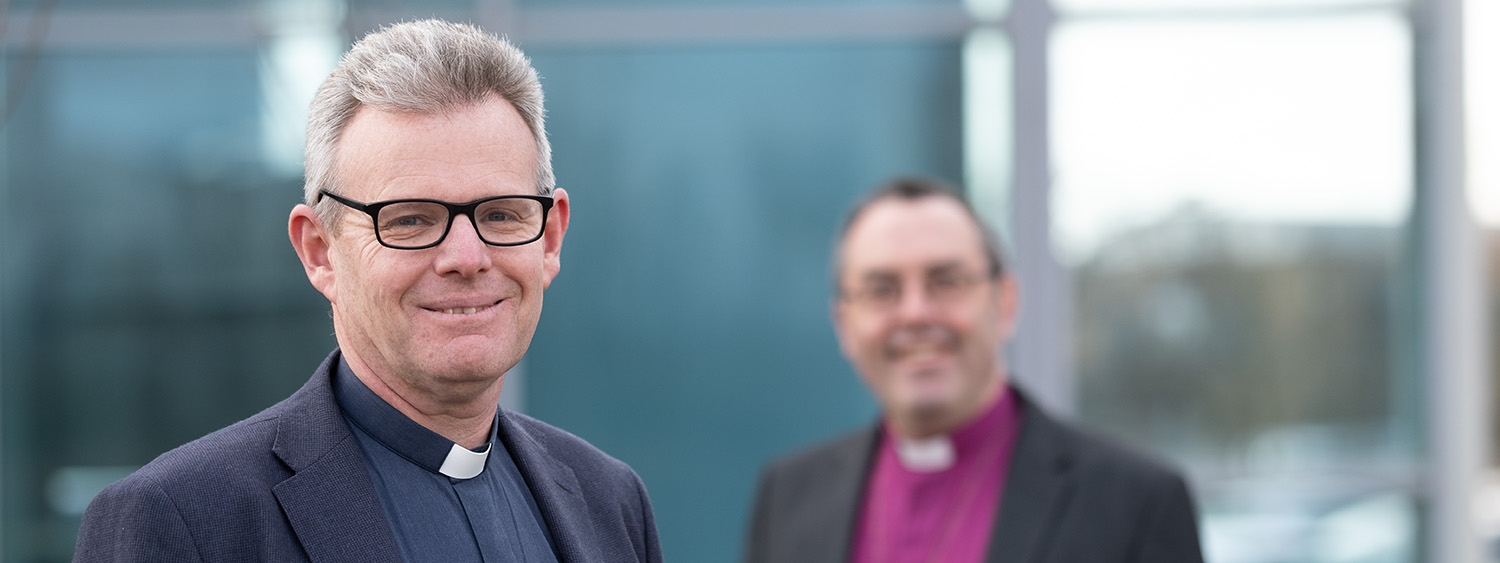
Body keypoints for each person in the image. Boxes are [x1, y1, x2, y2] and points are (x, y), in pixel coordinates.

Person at [74, 20, 662, 563]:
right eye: (410, 220)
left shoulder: (610, 503)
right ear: (320, 252)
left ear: (551, 238)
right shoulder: (179, 523)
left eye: (502, 214)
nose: (465, 258)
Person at [743, 177, 1203, 563]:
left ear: (1004, 302)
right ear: (845, 324)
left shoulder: (1136, 501)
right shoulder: (787, 496)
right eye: (882, 289)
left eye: (946, 282)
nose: (916, 313)